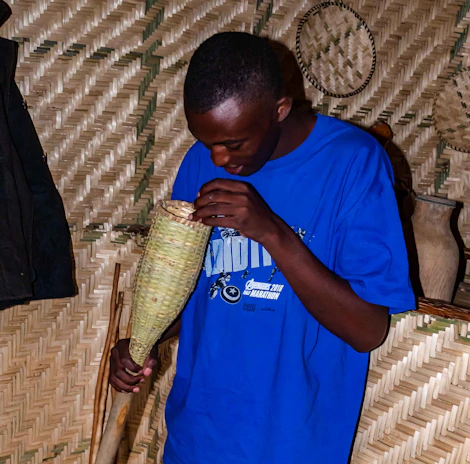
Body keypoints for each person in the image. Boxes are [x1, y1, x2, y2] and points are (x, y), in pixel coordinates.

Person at [110, 32, 416, 463]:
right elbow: (188, 290)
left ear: (280, 110)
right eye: (206, 141)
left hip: (291, 444)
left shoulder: (353, 163)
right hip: (197, 437)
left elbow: (367, 330)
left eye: (233, 145)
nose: (216, 159)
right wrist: (142, 343)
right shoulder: (202, 161)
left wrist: (272, 232)